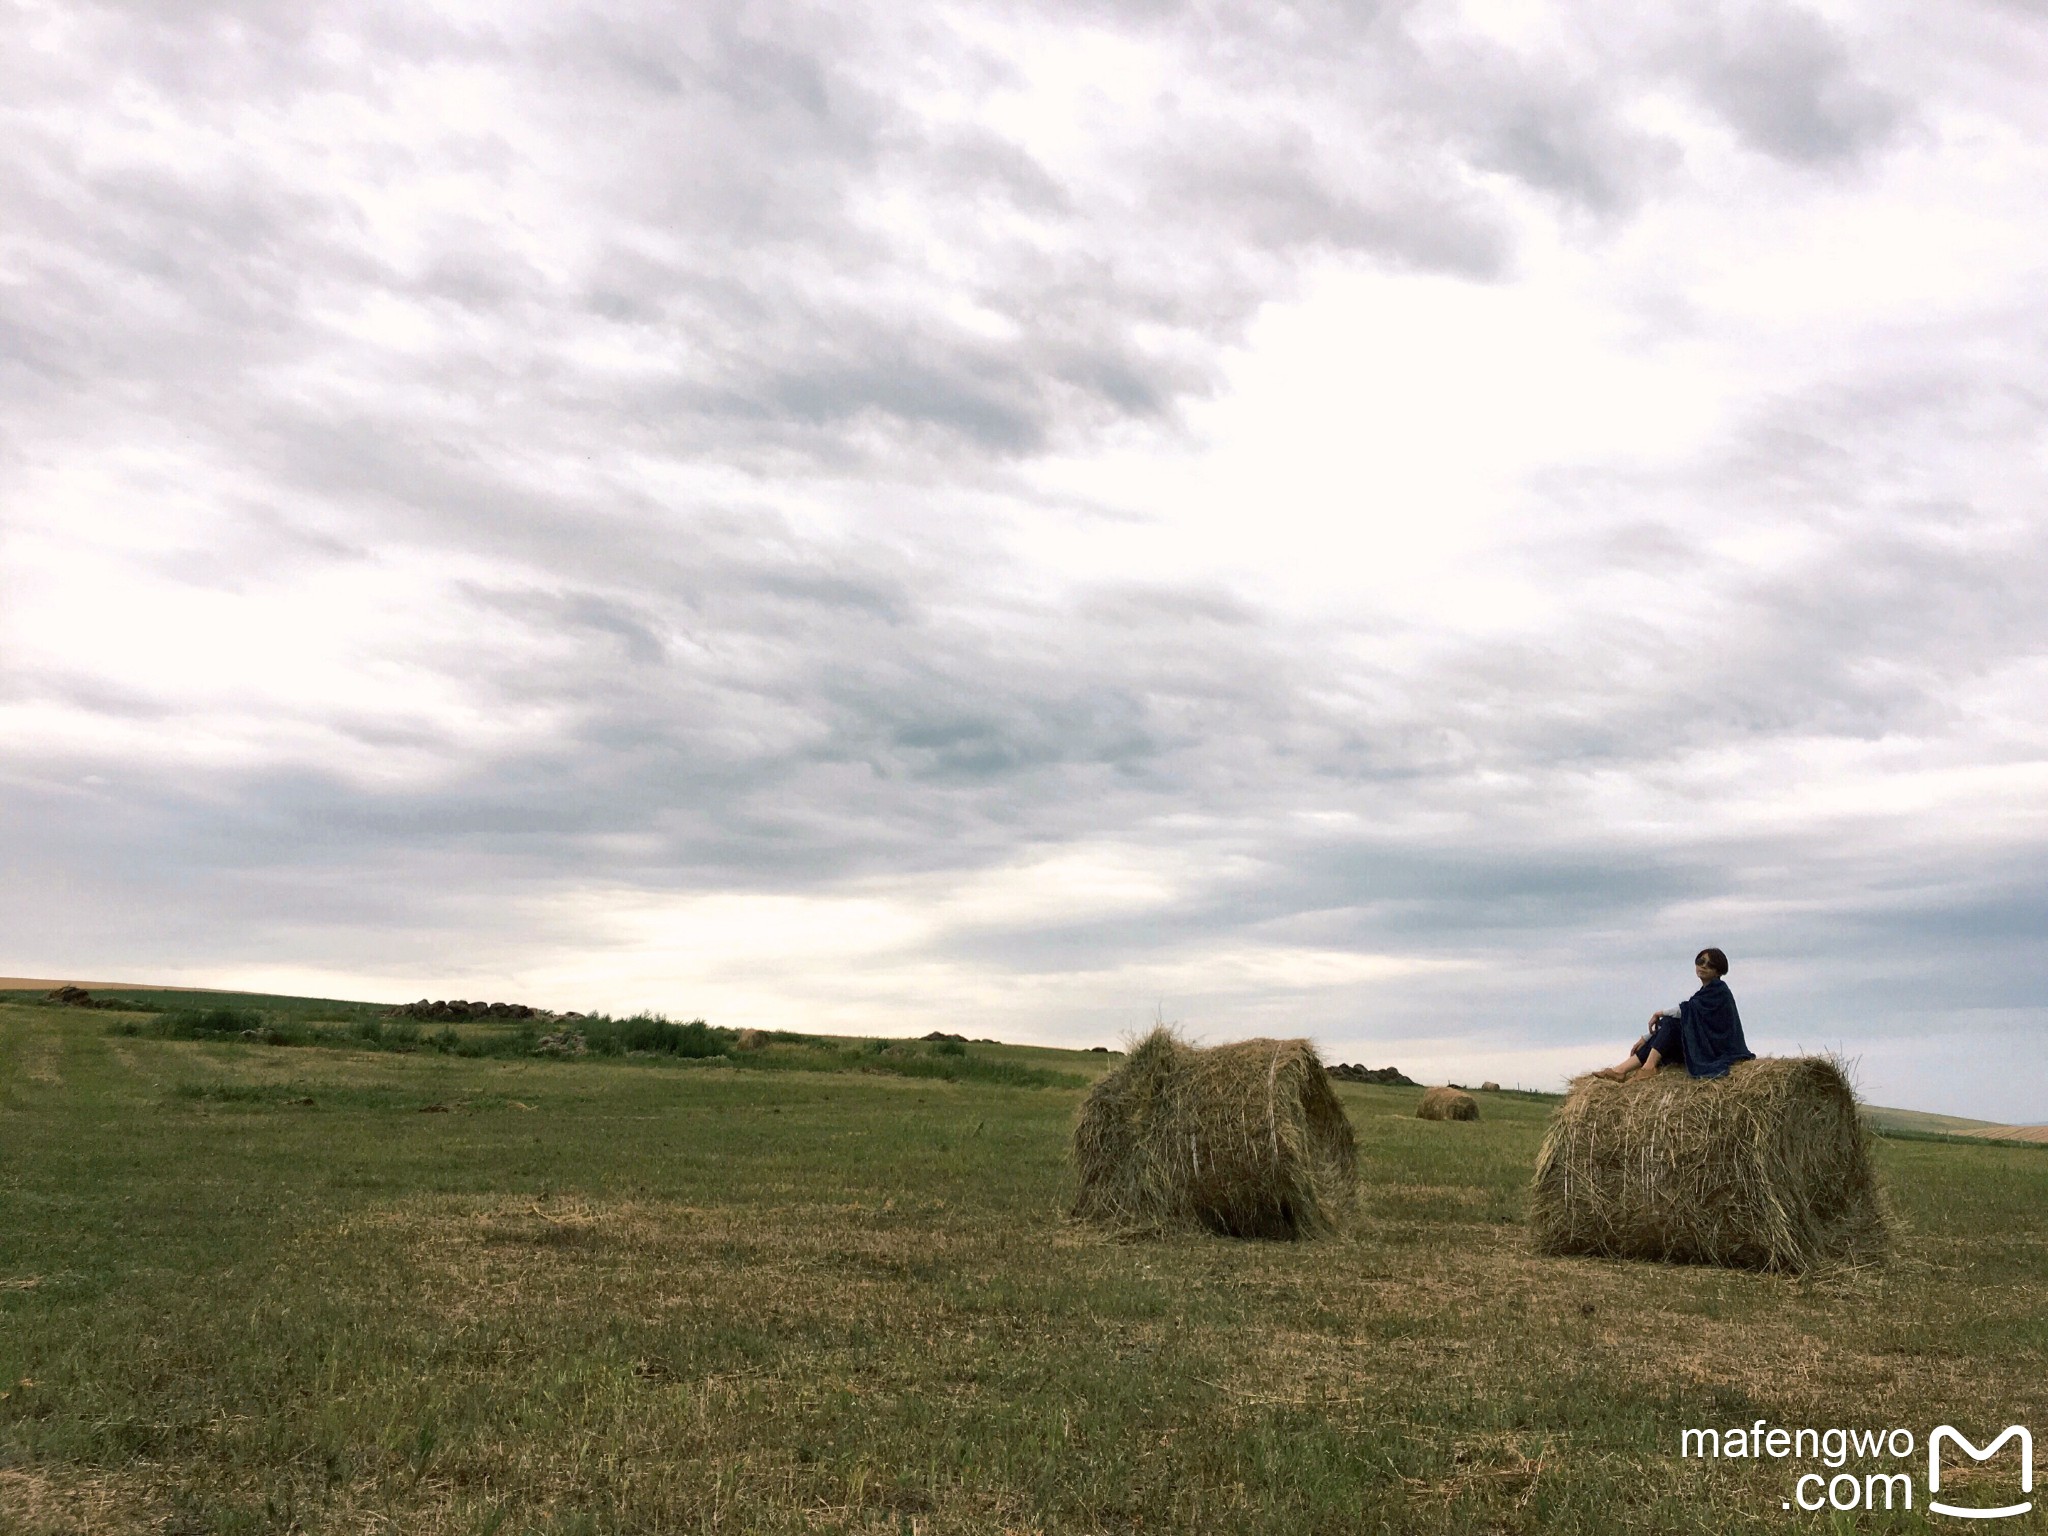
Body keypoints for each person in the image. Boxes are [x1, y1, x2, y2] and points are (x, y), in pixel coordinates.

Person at [1594, 948, 1755, 1082]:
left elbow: (1686, 1011)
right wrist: (1646, 1037)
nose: (1703, 966)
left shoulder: (1719, 991)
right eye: (1700, 961)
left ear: (1718, 971)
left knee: (1671, 1023)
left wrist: (1660, 1013)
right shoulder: (1706, 992)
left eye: (1710, 965)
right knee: (1670, 1025)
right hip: (1703, 1046)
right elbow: (1688, 1017)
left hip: (1715, 1050)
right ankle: (1620, 1070)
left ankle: (1648, 1068)